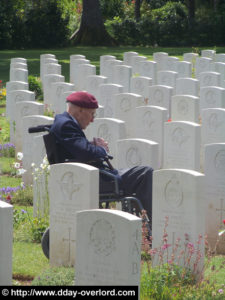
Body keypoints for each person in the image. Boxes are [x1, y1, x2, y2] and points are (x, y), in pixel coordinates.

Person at [50, 91, 153, 221]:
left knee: (140, 172)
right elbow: (85, 153)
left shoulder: (63, 122)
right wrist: (101, 149)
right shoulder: (66, 125)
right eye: (92, 114)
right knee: (145, 173)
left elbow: (76, 148)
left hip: (92, 175)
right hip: (94, 180)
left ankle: (139, 223)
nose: (93, 119)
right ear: (80, 110)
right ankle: (147, 226)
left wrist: (91, 144)